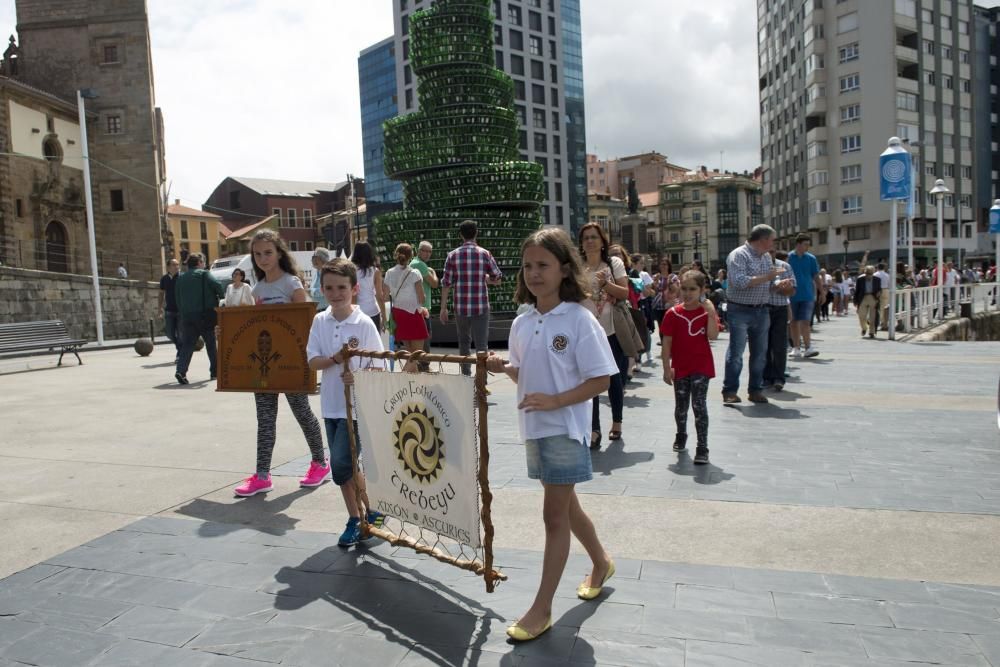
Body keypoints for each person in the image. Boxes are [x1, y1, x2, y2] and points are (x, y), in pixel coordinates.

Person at [485, 227, 617, 643]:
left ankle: (541, 608)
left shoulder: (579, 319)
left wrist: (557, 402)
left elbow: (601, 380)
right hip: (535, 428)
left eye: (542, 265)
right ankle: (601, 562)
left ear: (564, 269)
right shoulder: (524, 321)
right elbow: (524, 373)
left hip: (564, 428)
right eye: (527, 266)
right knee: (567, 505)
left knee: (553, 515)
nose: (533, 273)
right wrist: (502, 368)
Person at [233, 229, 330, 497]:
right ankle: (262, 475)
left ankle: (320, 463)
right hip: (264, 364)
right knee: (265, 419)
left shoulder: (292, 284)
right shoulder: (257, 289)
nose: (263, 258)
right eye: (258, 254)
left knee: (302, 412)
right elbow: (253, 328)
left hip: (291, 363)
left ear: (278, 253)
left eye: (268, 252)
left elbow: (306, 323)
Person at [306, 259, 385, 546]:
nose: (335, 293)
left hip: (356, 408)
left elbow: (380, 365)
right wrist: (335, 360)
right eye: (329, 288)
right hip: (331, 406)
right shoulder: (319, 320)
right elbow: (313, 361)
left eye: (341, 287)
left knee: (340, 466)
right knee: (347, 465)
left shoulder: (363, 323)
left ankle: (362, 514)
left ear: (354, 289)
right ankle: (365, 511)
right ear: (322, 289)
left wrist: (360, 377)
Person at [722, 224, 788, 405]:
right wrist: (768, 278)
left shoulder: (766, 257)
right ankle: (729, 390)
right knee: (736, 352)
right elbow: (739, 281)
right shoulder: (739, 255)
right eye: (772, 240)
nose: (773, 244)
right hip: (739, 310)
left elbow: (768, 283)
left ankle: (755, 390)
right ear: (763, 239)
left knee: (760, 353)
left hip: (761, 309)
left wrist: (778, 285)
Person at [578, 223, 629, 447]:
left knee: (614, 379)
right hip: (586, 331)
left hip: (610, 328)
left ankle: (616, 422)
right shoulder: (577, 267)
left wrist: (605, 284)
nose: (590, 241)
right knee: (591, 379)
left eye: (594, 237)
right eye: (586, 238)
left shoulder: (613, 263)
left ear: (602, 241)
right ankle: (594, 429)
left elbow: (624, 293)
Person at [662, 269, 719, 464]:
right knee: (681, 405)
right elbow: (667, 343)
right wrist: (666, 367)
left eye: (692, 289)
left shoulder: (706, 312)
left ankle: (702, 447)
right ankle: (681, 433)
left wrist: (711, 314)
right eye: (684, 289)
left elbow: (712, 336)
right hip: (680, 366)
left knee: (699, 404)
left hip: (701, 365)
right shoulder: (672, 314)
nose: (687, 293)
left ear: (702, 289)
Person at [440, 220, 503, 377]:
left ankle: (466, 379)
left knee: (464, 343)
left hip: (460, 307)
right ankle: (482, 382)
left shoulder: (452, 255)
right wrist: (486, 278)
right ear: (476, 233)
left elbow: (446, 284)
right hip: (481, 306)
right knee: (482, 346)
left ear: (461, 235)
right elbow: (497, 278)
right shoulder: (484, 254)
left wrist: (443, 308)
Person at [174, 253, 225, 385]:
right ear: (199, 263)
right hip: (205, 315)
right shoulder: (204, 274)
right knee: (211, 344)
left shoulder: (181, 278)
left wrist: (183, 312)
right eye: (203, 262)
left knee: (188, 344)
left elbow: (177, 298)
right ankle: (214, 372)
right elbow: (218, 285)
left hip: (187, 316)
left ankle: (181, 371)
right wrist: (222, 298)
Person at [385, 243, 429, 373]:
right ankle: (402, 377)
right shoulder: (414, 273)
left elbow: (386, 297)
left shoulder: (389, 273)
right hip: (413, 313)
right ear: (411, 256)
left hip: (398, 314)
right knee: (416, 355)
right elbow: (422, 298)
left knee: (410, 353)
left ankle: (412, 384)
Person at [764, 250, 796, 391]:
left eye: (771, 251)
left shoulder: (784, 266)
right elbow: (753, 289)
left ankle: (778, 378)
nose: (768, 253)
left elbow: (792, 291)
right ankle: (766, 377)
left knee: (779, 345)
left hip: (780, 308)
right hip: (762, 309)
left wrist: (786, 288)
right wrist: (774, 287)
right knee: (763, 345)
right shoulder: (756, 267)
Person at [787, 233, 822, 358]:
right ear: (798, 244)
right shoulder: (788, 257)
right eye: (805, 244)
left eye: (808, 244)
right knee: (793, 322)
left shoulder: (811, 258)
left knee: (805, 322)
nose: (807, 247)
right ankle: (796, 347)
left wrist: (821, 292)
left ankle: (808, 347)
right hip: (792, 295)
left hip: (808, 295)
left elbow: (816, 276)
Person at [410, 241, 439, 369]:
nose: (427, 254)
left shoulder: (414, 263)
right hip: (422, 308)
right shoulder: (420, 265)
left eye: (429, 251)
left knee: (420, 336)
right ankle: (424, 365)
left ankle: (419, 365)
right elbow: (434, 284)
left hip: (417, 307)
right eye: (425, 251)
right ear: (418, 251)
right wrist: (433, 272)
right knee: (425, 336)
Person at [350, 241, 386, 332]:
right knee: (374, 344)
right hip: (373, 310)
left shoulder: (351, 271)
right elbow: (379, 296)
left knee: (358, 344)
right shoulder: (375, 271)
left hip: (357, 312)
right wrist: (384, 316)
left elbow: (353, 295)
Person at [630, 253, 655, 365]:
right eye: (641, 263)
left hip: (642, 304)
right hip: (632, 304)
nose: (643, 265)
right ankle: (637, 358)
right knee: (634, 331)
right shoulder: (629, 274)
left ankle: (646, 352)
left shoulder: (644, 275)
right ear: (634, 264)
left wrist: (640, 285)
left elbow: (648, 292)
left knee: (644, 329)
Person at [651, 258, 680, 340]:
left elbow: (676, 290)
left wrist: (669, 282)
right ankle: (664, 345)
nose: (663, 266)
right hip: (658, 305)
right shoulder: (655, 277)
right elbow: (654, 292)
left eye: (665, 264)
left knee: (670, 326)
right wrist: (655, 283)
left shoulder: (673, 276)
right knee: (661, 326)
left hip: (669, 305)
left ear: (668, 266)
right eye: (661, 264)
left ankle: (671, 346)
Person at [159, 258, 181, 359]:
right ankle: (180, 348)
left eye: (177, 265)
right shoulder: (164, 279)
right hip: (169, 310)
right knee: (169, 333)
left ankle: (180, 354)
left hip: (181, 310)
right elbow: (161, 293)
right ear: (168, 267)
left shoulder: (182, 277)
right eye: (174, 265)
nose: (177, 267)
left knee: (180, 333)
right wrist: (159, 308)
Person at [854, 265, 882, 338]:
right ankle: (864, 328)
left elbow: (879, 289)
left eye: (870, 274)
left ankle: (871, 332)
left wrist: (879, 293)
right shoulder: (860, 279)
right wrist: (855, 301)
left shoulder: (877, 279)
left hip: (873, 297)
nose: (868, 275)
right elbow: (856, 291)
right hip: (863, 298)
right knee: (861, 315)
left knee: (873, 316)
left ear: (873, 273)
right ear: (865, 272)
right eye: (867, 273)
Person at [874, 262, 891, 331]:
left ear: (877, 267)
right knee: (884, 308)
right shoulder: (887, 275)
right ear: (884, 268)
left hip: (877, 291)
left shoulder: (875, 274)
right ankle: (884, 323)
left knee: (876, 307)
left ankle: (876, 322)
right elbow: (889, 284)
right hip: (886, 290)